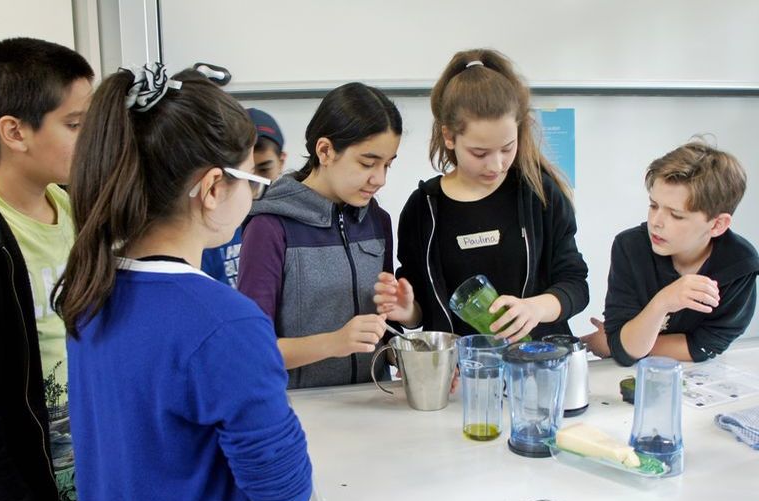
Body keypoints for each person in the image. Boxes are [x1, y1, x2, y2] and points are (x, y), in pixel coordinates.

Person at [53, 64, 312, 501]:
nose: (255, 194)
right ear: (213, 188)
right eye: (253, 179)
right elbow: (285, 499)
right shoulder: (224, 324)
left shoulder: (89, 287)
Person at [0, 37, 93, 501]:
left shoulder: (81, 212)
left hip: (92, 483)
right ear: (15, 131)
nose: (90, 138)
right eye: (75, 125)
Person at [374, 49, 589, 342]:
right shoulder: (423, 208)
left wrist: (535, 309)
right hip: (461, 376)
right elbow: (421, 310)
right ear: (449, 137)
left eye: (507, 148)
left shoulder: (538, 193)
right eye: (480, 153)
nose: (497, 164)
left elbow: (576, 285)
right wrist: (408, 309)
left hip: (537, 370)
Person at [238, 82, 401, 389]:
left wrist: (416, 360)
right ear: (325, 150)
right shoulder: (269, 228)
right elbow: (252, 350)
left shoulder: (378, 222)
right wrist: (334, 343)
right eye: (368, 163)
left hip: (375, 405)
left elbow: (384, 335)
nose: (379, 179)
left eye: (387, 165)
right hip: (300, 411)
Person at [581, 141, 759, 366]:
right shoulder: (630, 247)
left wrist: (618, 343)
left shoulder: (740, 265)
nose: (655, 222)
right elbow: (626, 348)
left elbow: (705, 346)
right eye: (653, 205)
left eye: (676, 215)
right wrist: (663, 302)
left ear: (717, 225)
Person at [201, 107, 286, 286]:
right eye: (248, 173)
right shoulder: (214, 228)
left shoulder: (291, 222)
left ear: (282, 161)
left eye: (264, 170)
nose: (255, 184)